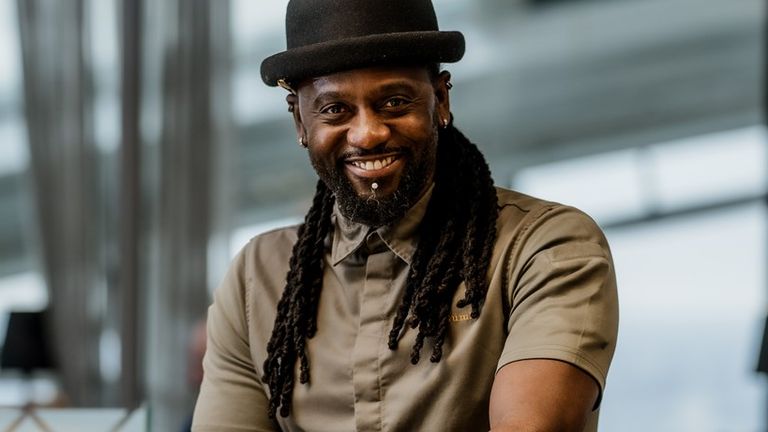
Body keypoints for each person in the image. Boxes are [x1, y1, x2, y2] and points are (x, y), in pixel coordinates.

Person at [192, 0, 618, 431]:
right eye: (334, 110)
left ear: (440, 99)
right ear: (300, 122)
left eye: (394, 102)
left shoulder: (547, 250)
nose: (368, 134)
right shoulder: (255, 279)